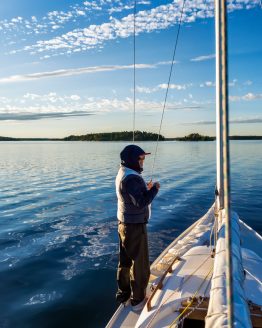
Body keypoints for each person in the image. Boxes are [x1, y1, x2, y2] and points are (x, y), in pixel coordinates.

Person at [115, 144, 160, 310]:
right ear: (133, 160)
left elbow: (132, 195)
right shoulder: (132, 178)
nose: (143, 161)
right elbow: (141, 202)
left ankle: (123, 294)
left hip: (124, 224)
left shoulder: (123, 173)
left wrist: (144, 189)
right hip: (134, 227)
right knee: (139, 264)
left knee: (125, 261)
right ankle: (138, 300)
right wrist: (154, 189)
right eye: (141, 158)